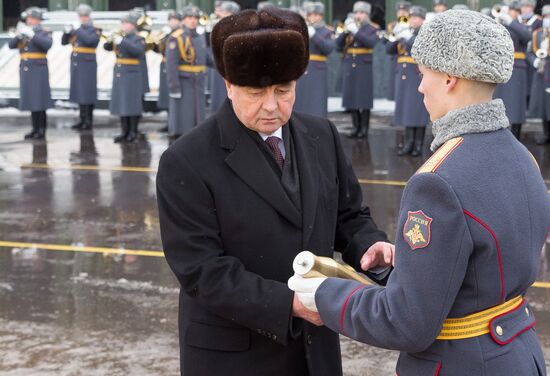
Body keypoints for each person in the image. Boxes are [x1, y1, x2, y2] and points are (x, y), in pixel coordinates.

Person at [289, 10, 550, 375]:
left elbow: (407, 322)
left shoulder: (437, 181)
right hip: (516, 355)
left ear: (448, 78)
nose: (419, 86)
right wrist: (411, 265)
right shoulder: (522, 157)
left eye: (423, 73)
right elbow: (488, 265)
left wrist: (322, 292)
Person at [156, 7, 393, 376]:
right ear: (229, 85)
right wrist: (291, 304)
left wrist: (370, 247)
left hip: (314, 350)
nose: (271, 105)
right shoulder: (186, 160)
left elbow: (348, 215)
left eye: (284, 91)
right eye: (255, 92)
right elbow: (202, 270)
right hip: (235, 355)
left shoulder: (321, 136)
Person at [386, 5, 430, 156]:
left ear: (422, 19)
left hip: (417, 75)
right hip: (403, 75)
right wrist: (395, 37)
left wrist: (408, 37)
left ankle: (418, 144)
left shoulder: (426, 32)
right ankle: (408, 142)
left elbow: (420, 49)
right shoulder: (405, 31)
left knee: (417, 110)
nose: (412, 20)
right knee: (406, 110)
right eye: (411, 17)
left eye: (416, 17)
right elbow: (389, 50)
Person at [336, 1, 379, 139]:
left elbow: (371, 43)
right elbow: (337, 45)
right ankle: (356, 127)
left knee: (364, 98)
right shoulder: (351, 26)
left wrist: (356, 31)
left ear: (367, 14)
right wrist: (345, 31)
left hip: (364, 66)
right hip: (350, 65)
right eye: (357, 12)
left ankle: (364, 128)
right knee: (352, 97)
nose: (358, 15)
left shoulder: (372, 29)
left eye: (361, 13)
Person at [166, 5, 209, 140]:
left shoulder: (200, 37)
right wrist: (174, 87)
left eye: (195, 18)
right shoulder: (176, 38)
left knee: (198, 117)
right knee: (185, 117)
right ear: (183, 20)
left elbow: (206, 59)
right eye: (189, 18)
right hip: (184, 82)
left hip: (198, 82)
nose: (193, 20)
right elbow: (171, 65)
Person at [8, 7, 53, 140]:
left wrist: (32, 34)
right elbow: (11, 45)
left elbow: (47, 45)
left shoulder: (43, 32)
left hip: (38, 69)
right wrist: (19, 35)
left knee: (40, 100)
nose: (28, 20)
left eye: (31, 18)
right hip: (26, 69)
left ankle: (41, 130)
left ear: (37, 20)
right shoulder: (24, 32)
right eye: (28, 18)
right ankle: (34, 128)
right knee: (31, 100)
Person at [104, 12, 146, 143]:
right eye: (122, 23)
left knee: (132, 104)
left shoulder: (138, 38)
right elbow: (106, 47)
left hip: (132, 74)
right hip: (120, 73)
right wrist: (110, 40)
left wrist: (122, 41)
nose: (123, 25)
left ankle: (133, 131)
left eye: (126, 23)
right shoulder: (121, 37)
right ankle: (124, 131)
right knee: (122, 103)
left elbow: (138, 51)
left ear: (132, 25)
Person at [493, 0, 531, 140]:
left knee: (516, 105)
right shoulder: (500, 25)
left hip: (517, 69)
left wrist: (511, 22)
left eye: (513, 11)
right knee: (501, 103)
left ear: (517, 13)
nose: (510, 13)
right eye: (509, 10)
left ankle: (516, 136)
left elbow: (527, 36)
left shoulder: (520, 26)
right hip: (502, 68)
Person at [62, 4, 100, 131]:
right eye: (81, 16)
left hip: (87, 63)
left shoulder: (94, 29)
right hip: (77, 63)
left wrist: (77, 29)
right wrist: (67, 32)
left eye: (85, 16)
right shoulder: (79, 29)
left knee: (87, 92)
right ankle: (82, 119)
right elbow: (64, 42)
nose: (83, 18)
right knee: (79, 91)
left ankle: (88, 120)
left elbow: (89, 41)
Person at [294, 2, 335, 118]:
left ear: (321, 16)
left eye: (316, 15)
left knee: (317, 101)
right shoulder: (302, 29)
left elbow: (328, 49)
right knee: (301, 100)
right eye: (310, 15)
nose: (313, 18)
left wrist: (314, 35)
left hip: (318, 69)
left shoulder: (327, 31)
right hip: (302, 68)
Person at [153, 10, 182, 132]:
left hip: (174, 67)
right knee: (166, 95)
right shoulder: (168, 34)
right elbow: (158, 49)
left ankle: (175, 123)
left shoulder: (180, 34)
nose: (172, 22)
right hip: (164, 65)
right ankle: (169, 122)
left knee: (174, 97)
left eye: (175, 19)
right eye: (170, 19)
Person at [209, 1, 240, 113]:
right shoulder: (219, 27)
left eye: (223, 13)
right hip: (219, 67)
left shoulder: (238, 29)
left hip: (231, 68)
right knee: (219, 98)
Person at [527, 5, 550, 144]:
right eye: (546, 16)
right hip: (541, 72)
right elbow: (528, 52)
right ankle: (546, 134)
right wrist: (534, 61)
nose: (548, 19)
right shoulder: (537, 33)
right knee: (543, 105)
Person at [383, 1, 411, 102]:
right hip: (396, 59)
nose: (402, 13)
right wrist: (394, 33)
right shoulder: (392, 26)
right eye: (400, 11)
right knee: (396, 90)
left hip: (409, 60)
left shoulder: (412, 24)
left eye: (404, 11)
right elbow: (385, 43)